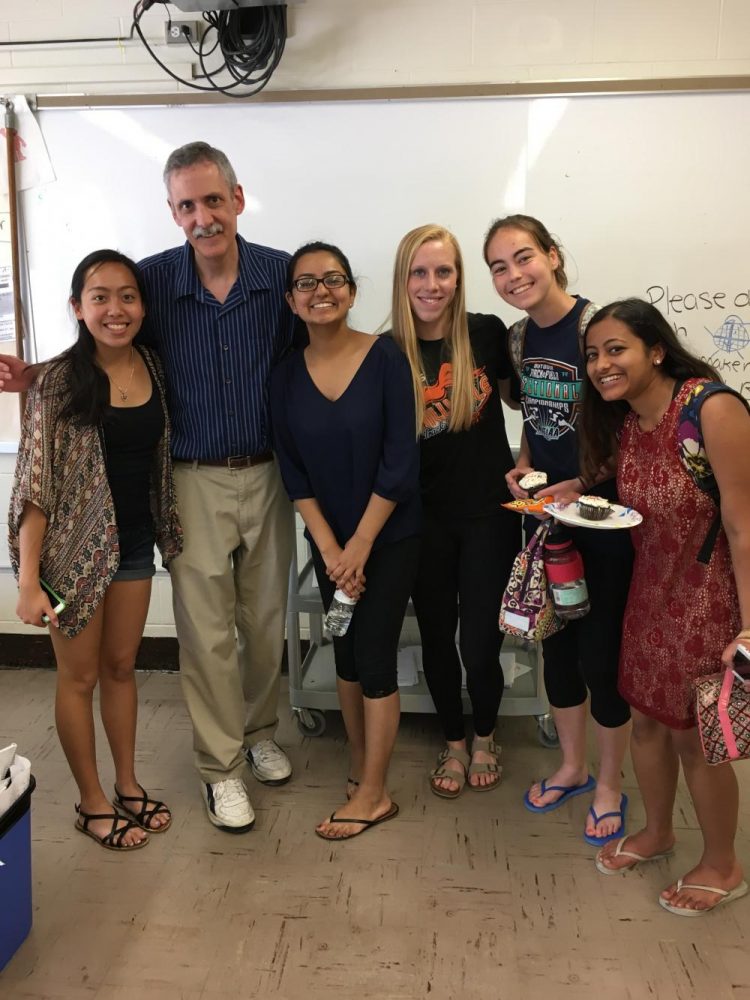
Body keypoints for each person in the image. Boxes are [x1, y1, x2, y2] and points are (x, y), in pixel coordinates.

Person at [1, 142, 297, 834]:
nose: (202, 217)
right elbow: (100, 339)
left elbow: (318, 348)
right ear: (172, 211)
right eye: (187, 205)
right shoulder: (155, 281)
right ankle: (220, 768)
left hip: (268, 474)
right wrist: (35, 372)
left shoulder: (280, 276)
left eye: (212, 201)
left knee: (262, 624)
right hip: (192, 480)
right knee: (205, 634)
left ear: (237, 198)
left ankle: (258, 733)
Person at [8, 249, 182, 851]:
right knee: (78, 678)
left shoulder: (153, 366)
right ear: (78, 307)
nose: (116, 309)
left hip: (133, 544)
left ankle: (128, 785)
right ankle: (92, 801)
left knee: (120, 669)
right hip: (71, 554)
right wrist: (28, 581)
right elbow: (34, 484)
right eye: (100, 296)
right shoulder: (58, 381)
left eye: (128, 295)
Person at [581, 297, 750, 914]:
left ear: (656, 349)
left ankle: (723, 864)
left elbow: (743, 524)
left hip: (711, 597)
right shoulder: (629, 420)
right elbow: (613, 479)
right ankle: (656, 832)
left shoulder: (711, 408)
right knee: (646, 719)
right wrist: (566, 489)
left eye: (616, 349)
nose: (602, 364)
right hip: (650, 591)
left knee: (694, 736)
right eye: (594, 354)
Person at [482, 214, 633, 846]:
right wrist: (524, 463)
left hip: (605, 521)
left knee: (602, 656)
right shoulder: (518, 339)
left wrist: (586, 481)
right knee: (558, 649)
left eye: (523, 258)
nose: (514, 275)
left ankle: (609, 783)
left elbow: (634, 428)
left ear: (553, 255)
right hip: (547, 523)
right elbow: (540, 421)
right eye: (498, 266)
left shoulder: (599, 329)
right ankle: (571, 767)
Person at [271, 242, 420, 839]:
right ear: (291, 300)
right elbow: (293, 471)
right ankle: (362, 767)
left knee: (377, 653)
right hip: (331, 545)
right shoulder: (284, 375)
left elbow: (400, 463)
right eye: (306, 283)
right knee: (348, 652)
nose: (320, 291)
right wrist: (332, 552)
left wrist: (358, 547)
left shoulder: (386, 359)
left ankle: (376, 795)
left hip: (389, 536)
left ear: (352, 292)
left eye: (333, 279)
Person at [389, 224, 520, 797]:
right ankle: (454, 741)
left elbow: (533, 402)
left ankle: (486, 735)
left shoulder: (487, 334)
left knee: (480, 642)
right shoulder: (386, 351)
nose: (432, 284)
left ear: (460, 278)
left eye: (444, 271)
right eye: (420, 272)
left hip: (490, 513)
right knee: (438, 636)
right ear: (403, 279)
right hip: (423, 518)